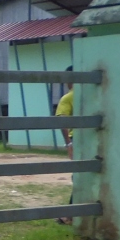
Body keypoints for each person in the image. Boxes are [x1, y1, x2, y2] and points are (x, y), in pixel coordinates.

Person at [54, 68, 74, 223]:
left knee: (79, 177)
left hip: (77, 139)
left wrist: (68, 143)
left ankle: (70, 215)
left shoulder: (68, 98)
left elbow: (62, 121)